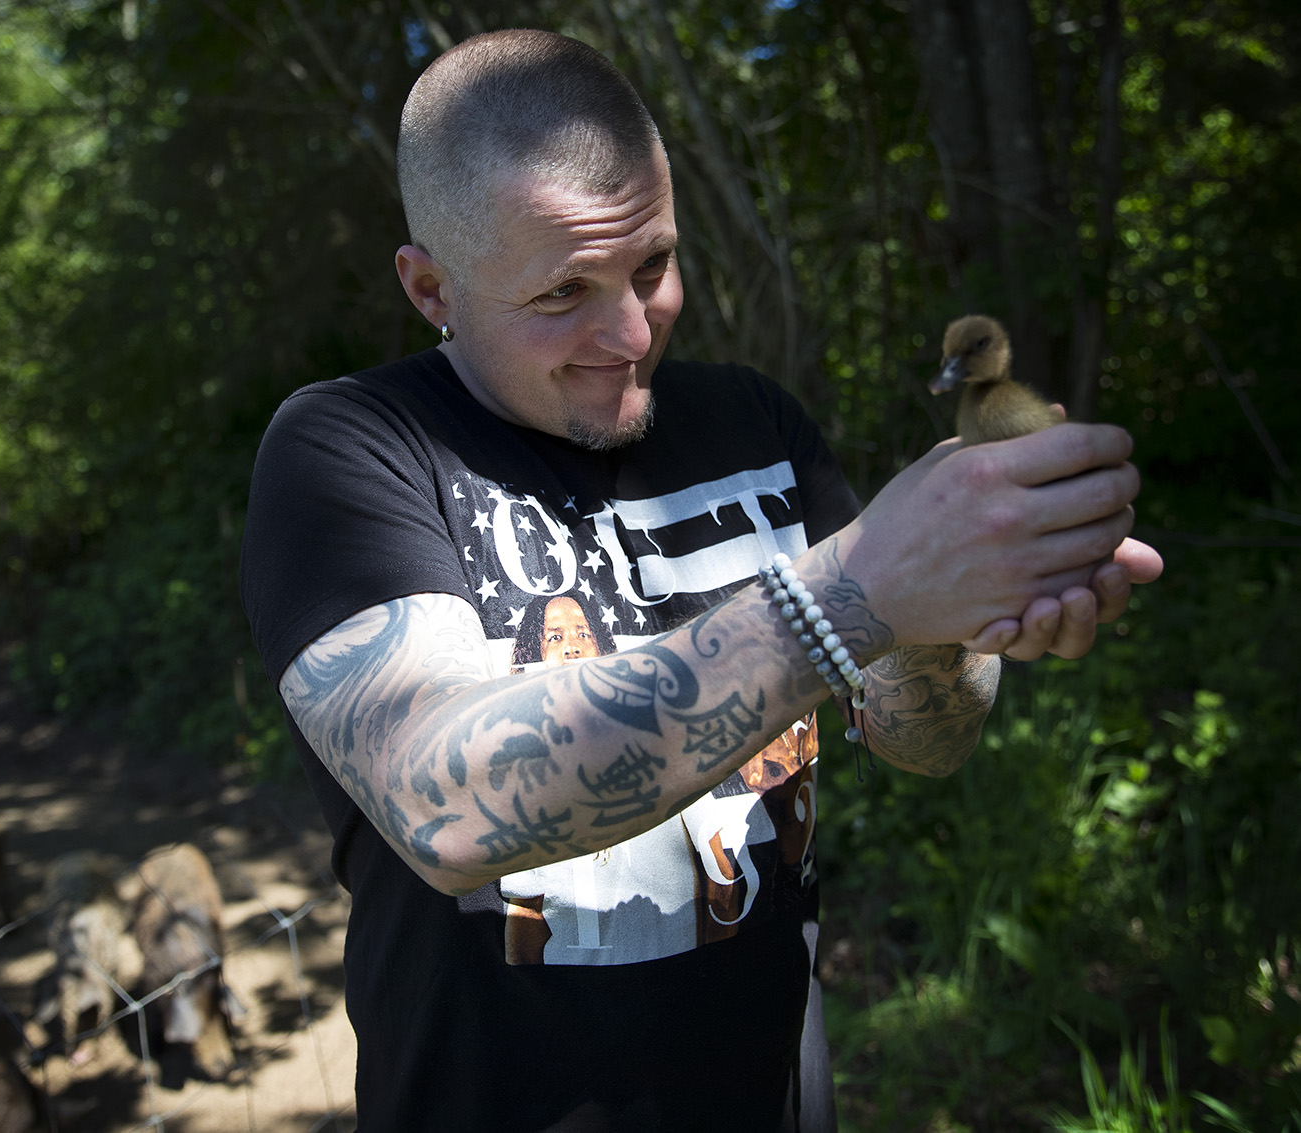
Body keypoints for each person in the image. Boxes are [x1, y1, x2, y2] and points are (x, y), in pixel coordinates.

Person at [240, 28, 1161, 1133]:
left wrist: (954, 602)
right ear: (429, 285)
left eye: (652, 266)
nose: (629, 332)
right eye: (561, 293)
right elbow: (448, 800)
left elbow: (924, 738)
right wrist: (855, 587)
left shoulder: (755, 423)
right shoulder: (353, 447)